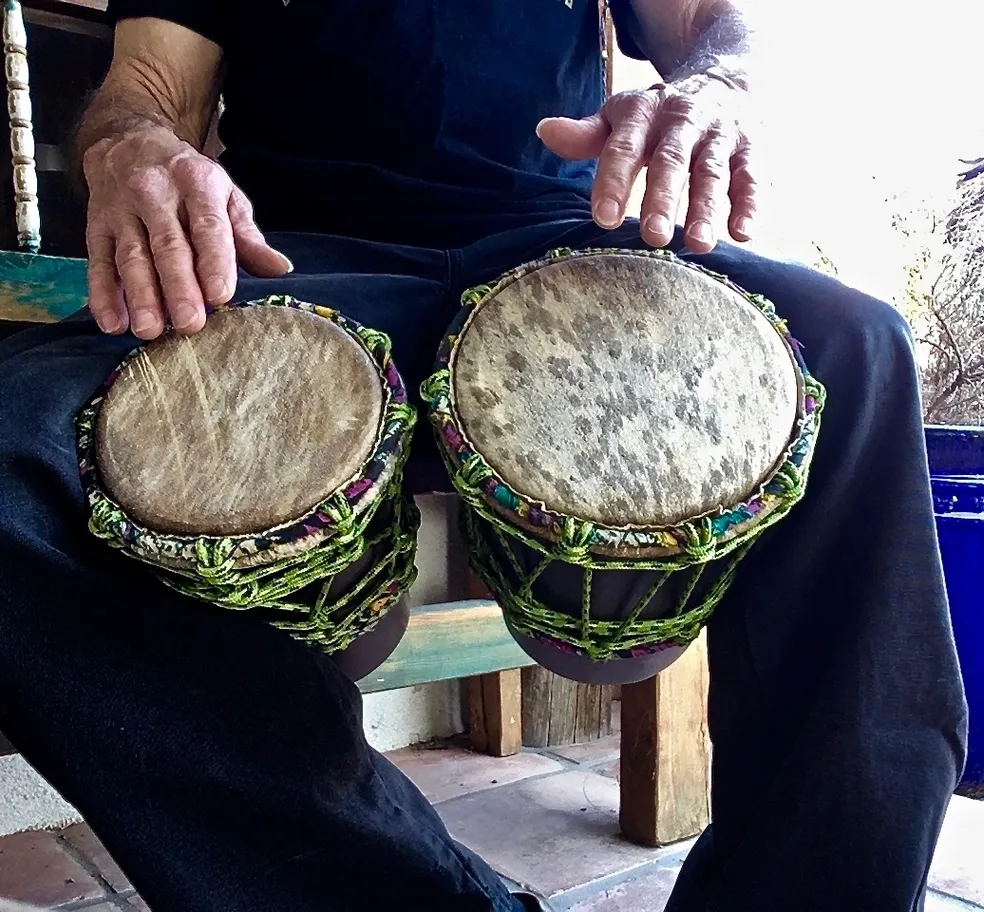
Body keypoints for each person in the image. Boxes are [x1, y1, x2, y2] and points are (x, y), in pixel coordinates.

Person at [0, 1, 968, 910]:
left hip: (565, 238)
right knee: (9, 442)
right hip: (289, 263)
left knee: (857, 344)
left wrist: (718, 85)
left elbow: (714, 25)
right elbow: (147, 89)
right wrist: (130, 144)